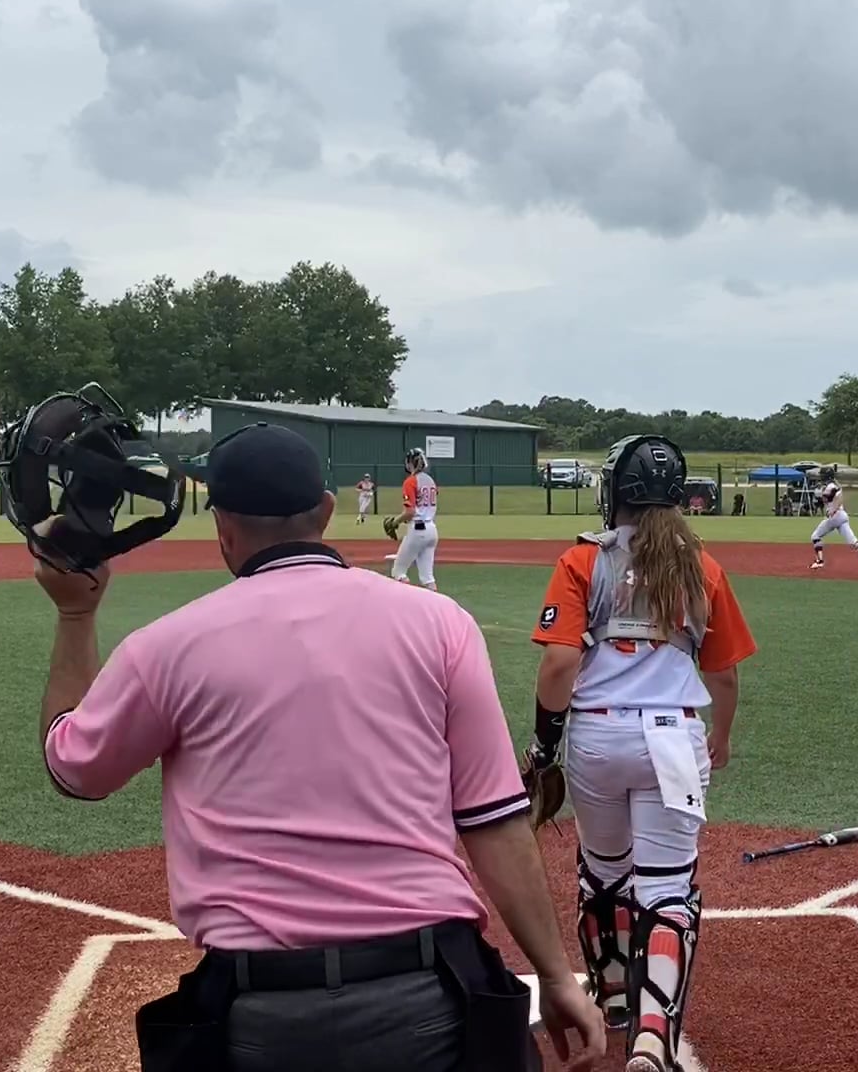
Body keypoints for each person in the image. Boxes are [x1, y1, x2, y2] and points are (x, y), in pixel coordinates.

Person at [32, 423, 605, 1072]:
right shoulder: (442, 624)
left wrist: (75, 615)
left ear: (222, 525)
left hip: (264, 1015)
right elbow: (494, 820)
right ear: (327, 511)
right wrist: (553, 973)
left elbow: (75, 769)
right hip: (431, 996)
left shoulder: (166, 646)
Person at [521, 434, 758, 1072]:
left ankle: (614, 998)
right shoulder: (703, 567)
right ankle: (654, 1037)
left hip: (598, 737)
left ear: (614, 492)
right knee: (667, 888)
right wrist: (722, 736)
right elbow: (724, 674)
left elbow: (558, 666)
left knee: (603, 871)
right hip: (674, 738)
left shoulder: (583, 560)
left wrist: (544, 745)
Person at [808, 465, 858, 573]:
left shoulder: (830, 486)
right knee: (853, 541)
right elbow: (838, 495)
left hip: (835, 517)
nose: (821, 477)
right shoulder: (833, 485)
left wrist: (832, 508)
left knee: (815, 536)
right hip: (841, 516)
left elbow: (831, 497)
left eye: (822, 475)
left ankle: (820, 561)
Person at [390, 448, 440, 590]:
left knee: (398, 572)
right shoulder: (430, 480)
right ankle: (434, 601)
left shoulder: (410, 481)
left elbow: (410, 512)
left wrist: (395, 522)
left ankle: (404, 601)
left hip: (418, 529)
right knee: (428, 578)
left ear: (409, 463)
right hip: (432, 529)